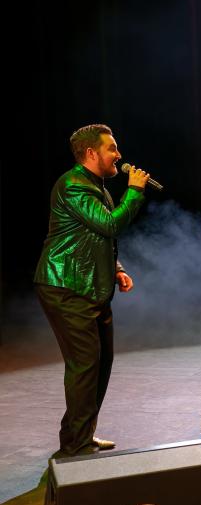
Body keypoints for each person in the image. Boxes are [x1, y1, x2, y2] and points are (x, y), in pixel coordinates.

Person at [35, 123, 151, 456]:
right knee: (85, 365)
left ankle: (80, 436)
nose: (119, 154)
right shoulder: (73, 184)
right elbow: (111, 224)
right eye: (112, 148)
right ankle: (75, 445)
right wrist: (135, 191)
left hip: (89, 286)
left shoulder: (94, 185)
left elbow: (96, 235)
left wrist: (116, 268)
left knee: (100, 364)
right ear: (91, 153)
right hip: (65, 285)